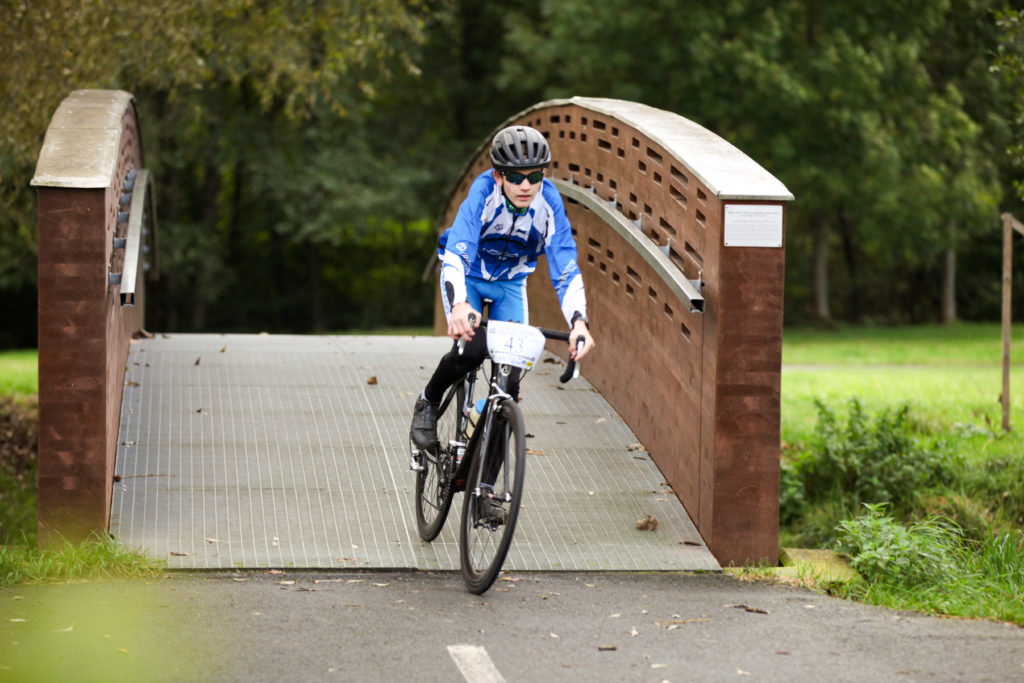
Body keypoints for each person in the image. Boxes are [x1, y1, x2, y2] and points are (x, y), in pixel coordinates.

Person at [409, 125, 595, 518]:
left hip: (511, 282)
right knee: (473, 348)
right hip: (468, 274)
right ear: (498, 176)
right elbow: (458, 250)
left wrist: (579, 322)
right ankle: (428, 400)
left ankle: (486, 491)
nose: (526, 185)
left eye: (535, 176)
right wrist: (459, 305)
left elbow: (564, 266)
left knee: (508, 387)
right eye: (515, 177)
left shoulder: (548, 203)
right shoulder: (483, 192)